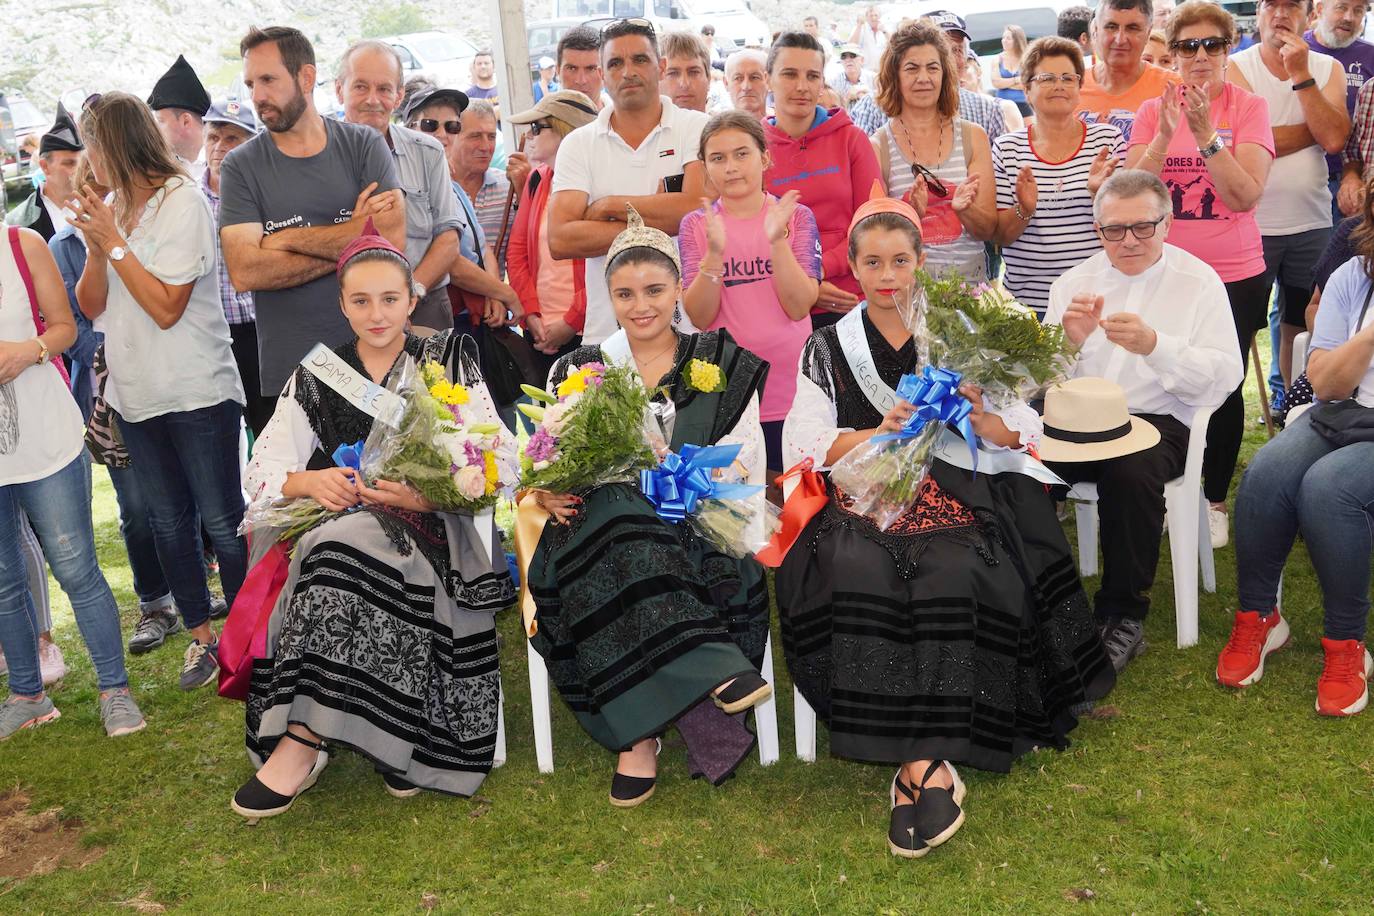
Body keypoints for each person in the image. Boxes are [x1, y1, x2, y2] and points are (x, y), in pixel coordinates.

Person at [778, 192, 1114, 859]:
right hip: (863, 489)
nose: (887, 275)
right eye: (872, 262)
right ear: (851, 266)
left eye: (900, 260)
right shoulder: (825, 347)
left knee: (957, 565)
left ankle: (917, 764)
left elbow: (1019, 427)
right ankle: (927, 766)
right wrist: (879, 431)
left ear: (922, 261)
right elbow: (803, 443)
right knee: (857, 566)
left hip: (959, 484)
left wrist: (976, 410)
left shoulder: (960, 329)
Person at [233, 226, 514, 819]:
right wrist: (309, 481)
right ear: (341, 305)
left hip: (436, 533)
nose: (377, 313)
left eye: (390, 299)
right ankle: (323, 741)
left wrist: (428, 495)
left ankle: (307, 742)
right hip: (350, 525)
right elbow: (263, 469)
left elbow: (500, 465)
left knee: (331, 554)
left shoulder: (447, 361)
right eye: (360, 301)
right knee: (336, 549)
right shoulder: (318, 375)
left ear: (413, 298)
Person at [524, 209, 773, 807]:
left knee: (628, 527)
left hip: (698, 525)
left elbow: (747, 465)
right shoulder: (578, 369)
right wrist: (545, 489)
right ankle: (709, 669)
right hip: (593, 531)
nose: (641, 306)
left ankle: (636, 737)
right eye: (625, 293)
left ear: (678, 290)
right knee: (614, 510)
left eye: (655, 290)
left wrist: (679, 481)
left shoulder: (720, 360)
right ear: (609, 297)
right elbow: (541, 459)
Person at [72, 92, 247, 692]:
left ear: (114, 143)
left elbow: (168, 307)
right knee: (169, 522)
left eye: (89, 144)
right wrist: (99, 246)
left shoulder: (183, 201)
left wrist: (115, 243)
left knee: (223, 522)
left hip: (196, 389)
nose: (83, 158)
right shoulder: (113, 207)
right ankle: (201, 641)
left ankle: (251, 637)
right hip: (134, 393)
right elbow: (90, 305)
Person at [1044, 170, 1243, 672]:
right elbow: (1036, 380)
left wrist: (1158, 348)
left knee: (1130, 470)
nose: (1128, 241)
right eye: (1114, 230)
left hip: (1160, 418)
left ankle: (1122, 615)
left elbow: (1225, 376)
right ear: (1098, 229)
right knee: (1018, 462)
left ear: (1168, 223)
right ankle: (1038, 600)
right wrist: (1065, 343)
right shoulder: (1074, 281)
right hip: (1079, 413)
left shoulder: (1198, 282)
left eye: (1143, 227)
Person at [1127, 1, 1276, 548]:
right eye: (1188, 46)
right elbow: (1127, 195)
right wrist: (1166, 136)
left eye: (1212, 44)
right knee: (1162, 379)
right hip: (1164, 272)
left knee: (1223, 385)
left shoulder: (1249, 107)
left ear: (1228, 48)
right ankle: (1168, 487)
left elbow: (1244, 195)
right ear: (1172, 53)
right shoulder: (1151, 111)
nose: (1200, 56)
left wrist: (1207, 134)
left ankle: (1213, 499)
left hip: (1234, 272)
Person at [1214, 214, 1374, 715]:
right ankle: (1260, 617)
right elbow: (1325, 384)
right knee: (1266, 474)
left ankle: (1346, 647)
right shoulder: (1353, 276)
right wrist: (1369, 337)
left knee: (1329, 491)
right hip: (1344, 413)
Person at [0, 225, 146, 740]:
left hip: (47, 439)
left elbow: (65, 327)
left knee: (76, 567)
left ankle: (116, 691)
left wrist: (28, 351)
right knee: (2, 580)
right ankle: (26, 694)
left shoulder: (21, 245)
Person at [219, 26, 405, 404]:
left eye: (268, 80)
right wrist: (355, 238)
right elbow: (245, 271)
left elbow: (392, 243)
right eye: (251, 83)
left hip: (375, 366)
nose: (257, 96)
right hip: (292, 376)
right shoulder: (241, 166)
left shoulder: (363, 144)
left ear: (306, 77)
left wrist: (284, 240)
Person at [1230, 0, 1349, 494]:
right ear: (1258, 12)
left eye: (1291, 6)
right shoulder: (1237, 65)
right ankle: (1221, 426)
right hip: (1250, 224)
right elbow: (1241, 140)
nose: (1281, 14)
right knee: (1240, 330)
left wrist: (1301, 77)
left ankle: (1296, 409)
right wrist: (1304, 130)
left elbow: (1336, 136)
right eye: (1272, 5)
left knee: (1303, 322)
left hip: (1312, 222)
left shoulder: (1326, 67)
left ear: (1308, 14)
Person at [548, 18, 709, 346]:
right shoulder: (579, 144)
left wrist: (608, 207)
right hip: (607, 337)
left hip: (691, 332)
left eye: (640, 59)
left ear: (660, 66)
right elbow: (561, 238)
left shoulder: (697, 128)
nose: (628, 71)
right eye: (615, 63)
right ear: (602, 74)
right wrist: (663, 217)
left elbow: (695, 210)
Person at [680, 111, 820, 474]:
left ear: (765, 157)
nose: (731, 167)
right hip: (728, 397)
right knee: (740, 512)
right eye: (718, 158)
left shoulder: (796, 216)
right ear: (705, 167)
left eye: (742, 153)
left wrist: (777, 243)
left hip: (791, 394)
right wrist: (713, 253)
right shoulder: (696, 225)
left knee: (795, 508)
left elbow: (800, 305)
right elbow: (700, 316)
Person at [336, 41, 463, 333]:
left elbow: (448, 238)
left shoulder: (428, 152)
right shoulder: (316, 156)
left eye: (384, 89)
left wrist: (408, 296)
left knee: (437, 381)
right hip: (344, 314)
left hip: (424, 305)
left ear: (399, 96)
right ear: (339, 89)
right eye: (360, 87)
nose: (373, 99)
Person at [994, 37, 1125, 317]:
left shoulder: (1107, 139)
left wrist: (1098, 196)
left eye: (1068, 77)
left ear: (1079, 87)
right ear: (1026, 89)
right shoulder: (1007, 148)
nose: (1059, 85)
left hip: (1098, 299)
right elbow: (1002, 236)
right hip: (1029, 305)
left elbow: (1126, 225)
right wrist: (1024, 210)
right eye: (1047, 78)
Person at [763, 31, 881, 325]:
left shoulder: (851, 139)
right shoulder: (752, 148)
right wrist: (805, 285)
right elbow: (748, 233)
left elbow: (872, 223)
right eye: (789, 74)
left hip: (848, 300)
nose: (802, 86)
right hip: (778, 302)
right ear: (768, 79)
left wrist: (815, 272)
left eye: (812, 76)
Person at [872, 23, 997, 284]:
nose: (923, 78)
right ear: (894, 76)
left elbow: (987, 229)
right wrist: (909, 214)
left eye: (932, 67)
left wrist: (964, 210)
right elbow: (876, 240)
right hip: (907, 297)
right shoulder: (879, 146)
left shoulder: (973, 137)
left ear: (945, 75)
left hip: (971, 297)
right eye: (911, 68)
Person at [398, 82, 522, 334]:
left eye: (452, 126)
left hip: (473, 316)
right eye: (431, 125)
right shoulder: (405, 183)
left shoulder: (450, 184)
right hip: (436, 314)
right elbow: (449, 259)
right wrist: (504, 293)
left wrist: (494, 293)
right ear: (409, 130)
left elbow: (481, 245)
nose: (443, 135)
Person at [506, 91, 598, 374]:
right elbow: (517, 251)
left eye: (536, 127)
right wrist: (532, 315)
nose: (529, 135)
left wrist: (570, 322)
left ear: (564, 131)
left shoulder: (598, 183)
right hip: (540, 332)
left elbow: (605, 263)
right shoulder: (538, 178)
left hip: (589, 330)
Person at [201, 99, 268, 436]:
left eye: (232, 139)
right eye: (213, 137)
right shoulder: (189, 197)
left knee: (269, 428)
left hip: (258, 331)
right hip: (210, 336)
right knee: (220, 436)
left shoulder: (265, 194)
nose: (219, 147)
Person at [849, 12, 1008, 150]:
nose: (953, 59)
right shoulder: (872, 109)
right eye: (946, 49)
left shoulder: (988, 111)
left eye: (958, 49)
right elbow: (862, 169)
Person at [1308, 0, 1374, 222]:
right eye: (1341, 7)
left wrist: (1352, 174)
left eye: (1358, 10)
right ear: (1319, 10)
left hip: (1351, 186)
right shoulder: (1296, 50)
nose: (1349, 17)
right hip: (1300, 182)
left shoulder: (1370, 56)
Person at [1078, 0, 1181, 142]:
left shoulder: (1175, 88)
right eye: (1111, 27)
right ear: (1095, 30)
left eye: (1132, 28)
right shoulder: (1071, 87)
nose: (1120, 39)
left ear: (1148, 33)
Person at [452, 101, 512, 276]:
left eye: (491, 137)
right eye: (475, 136)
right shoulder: (436, 189)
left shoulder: (509, 188)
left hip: (495, 302)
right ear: (452, 135)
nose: (486, 146)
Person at [7, 104, 81, 243]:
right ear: (45, 166)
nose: (78, 170)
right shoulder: (18, 222)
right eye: (69, 163)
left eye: (82, 163)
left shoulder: (104, 205)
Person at [147, 54, 213, 176]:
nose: (154, 128)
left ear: (185, 121)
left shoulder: (223, 162)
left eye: (161, 121)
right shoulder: (156, 167)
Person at [556, 26, 606, 111]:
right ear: (558, 71)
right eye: (572, 68)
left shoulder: (625, 119)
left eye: (591, 69)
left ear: (605, 73)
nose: (581, 81)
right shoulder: (542, 122)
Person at [662, 31, 713, 113]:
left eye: (693, 72)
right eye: (673, 73)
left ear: (709, 79)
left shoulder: (728, 125)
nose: (684, 84)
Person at [993, 26, 1032, 117]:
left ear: (1017, 41)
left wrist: (1005, 84)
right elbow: (996, 83)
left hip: (1024, 104)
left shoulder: (1026, 59)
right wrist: (1016, 80)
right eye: (1003, 38)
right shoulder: (997, 59)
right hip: (1003, 105)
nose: (1004, 41)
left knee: (1029, 130)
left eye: (1008, 38)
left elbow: (1027, 84)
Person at [726, 48, 769, 120]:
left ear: (769, 81)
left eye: (754, 77)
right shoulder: (717, 129)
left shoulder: (784, 127)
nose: (746, 87)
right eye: (738, 78)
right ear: (726, 84)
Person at [830, 45, 876, 110]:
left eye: (852, 56)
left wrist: (865, 95)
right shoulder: (833, 82)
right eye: (844, 57)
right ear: (841, 61)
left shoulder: (874, 79)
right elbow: (833, 110)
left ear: (862, 60)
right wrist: (848, 97)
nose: (848, 60)